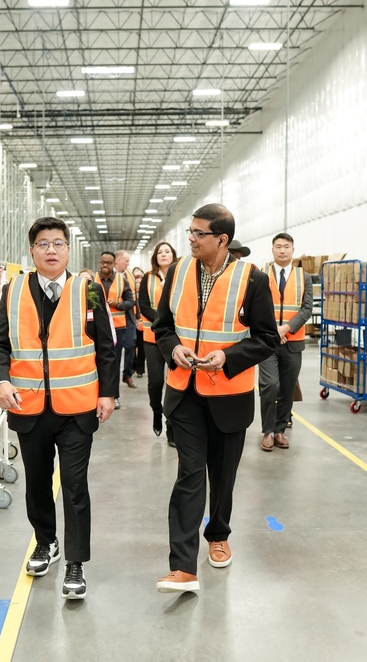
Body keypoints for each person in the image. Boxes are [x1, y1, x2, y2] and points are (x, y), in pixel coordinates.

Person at [0, 217, 116, 600]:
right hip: (29, 407)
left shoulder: (88, 290)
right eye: (43, 244)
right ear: (32, 251)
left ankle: (76, 562)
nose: (51, 250)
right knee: (38, 484)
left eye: (58, 243)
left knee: (75, 486)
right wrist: (0, 381)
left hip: (77, 409)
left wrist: (108, 393)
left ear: (68, 249)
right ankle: (46, 542)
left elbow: (105, 346)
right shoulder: (13, 291)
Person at [152, 203, 279, 593]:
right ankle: (182, 567)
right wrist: (173, 348)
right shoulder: (178, 272)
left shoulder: (252, 279)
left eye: (198, 233)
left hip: (229, 394)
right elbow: (162, 326)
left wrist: (228, 357)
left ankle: (219, 534)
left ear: (222, 239)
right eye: (189, 232)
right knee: (190, 473)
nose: (190, 239)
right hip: (185, 392)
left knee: (222, 477)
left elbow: (267, 339)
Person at [258, 233, 313, 451]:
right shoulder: (261, 275)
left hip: (293, 342)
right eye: (278, 246)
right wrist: (274, 330)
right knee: (270, 385)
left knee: (288, 388)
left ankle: (280, 430)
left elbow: (307, 309)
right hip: (267, 342)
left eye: (286, 246)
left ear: (293, 250)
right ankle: (268, 431)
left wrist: (287, 328)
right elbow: (256, 306)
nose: (282, 250)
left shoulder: (304, 277)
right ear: (272, 250)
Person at [138, 241, 178, 446]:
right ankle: (156, 410)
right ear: (155, 257)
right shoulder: (148, 277)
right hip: (152, 338)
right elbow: (143, 305)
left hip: (175, 340)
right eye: (160, 252)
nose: (163, 254)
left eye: (167, 251)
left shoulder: (180, 275)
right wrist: (161, 321)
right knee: (155, 382)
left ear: (173, 255)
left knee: (174, 384)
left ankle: (171, 424)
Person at [95, 251, 135, 410]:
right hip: (97, 329)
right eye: (103, 262)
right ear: (100, 263)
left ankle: (114, 396)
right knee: (96, 362)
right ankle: (97, 395)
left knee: (114, 363)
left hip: (117, 330)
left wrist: (117, 304)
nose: (105, 265)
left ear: (114, 264)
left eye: (109, 263)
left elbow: (131, 302)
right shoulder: (92, 280)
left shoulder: (121, 280)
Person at [116, 250, 138, 390]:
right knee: (115, 353)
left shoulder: (129, 274)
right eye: (126, 261)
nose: (128, 264)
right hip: (114, 319)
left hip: (129, 316)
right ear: (118, 260)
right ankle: (114, 385)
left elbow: (134, 297)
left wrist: (138, 317)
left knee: (131, 345)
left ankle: (127, 374)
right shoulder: (109, 276)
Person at [131, 267, 146, 378]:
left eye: (140, 283)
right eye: (136, 283)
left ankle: (140, 370)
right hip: (132, 324)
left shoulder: (146, 295)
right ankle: (132, 367)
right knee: (132, 347)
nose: (137, 285)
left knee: (142, 348)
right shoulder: (129, 294)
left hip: (143, 325)